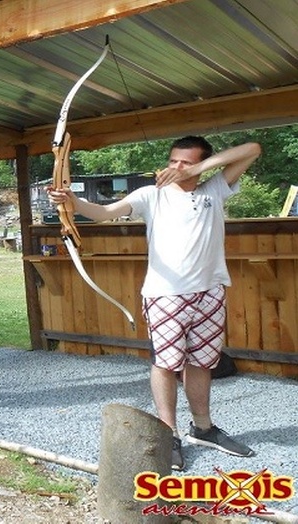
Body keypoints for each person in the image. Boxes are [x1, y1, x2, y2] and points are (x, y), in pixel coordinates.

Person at [47, 136, 261, 470]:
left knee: (202, 362)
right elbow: (103, 213)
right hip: (165, 295)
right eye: (173, 160)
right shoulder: (151, 194)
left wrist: (202, 169)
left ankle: (202, 428)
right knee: (166, 364)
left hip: (210, 292)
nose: (176, 167)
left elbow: (252, 149)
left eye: (186, 162)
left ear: (203, 165)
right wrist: (71, 200)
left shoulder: (214, 189)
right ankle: (168, 433)